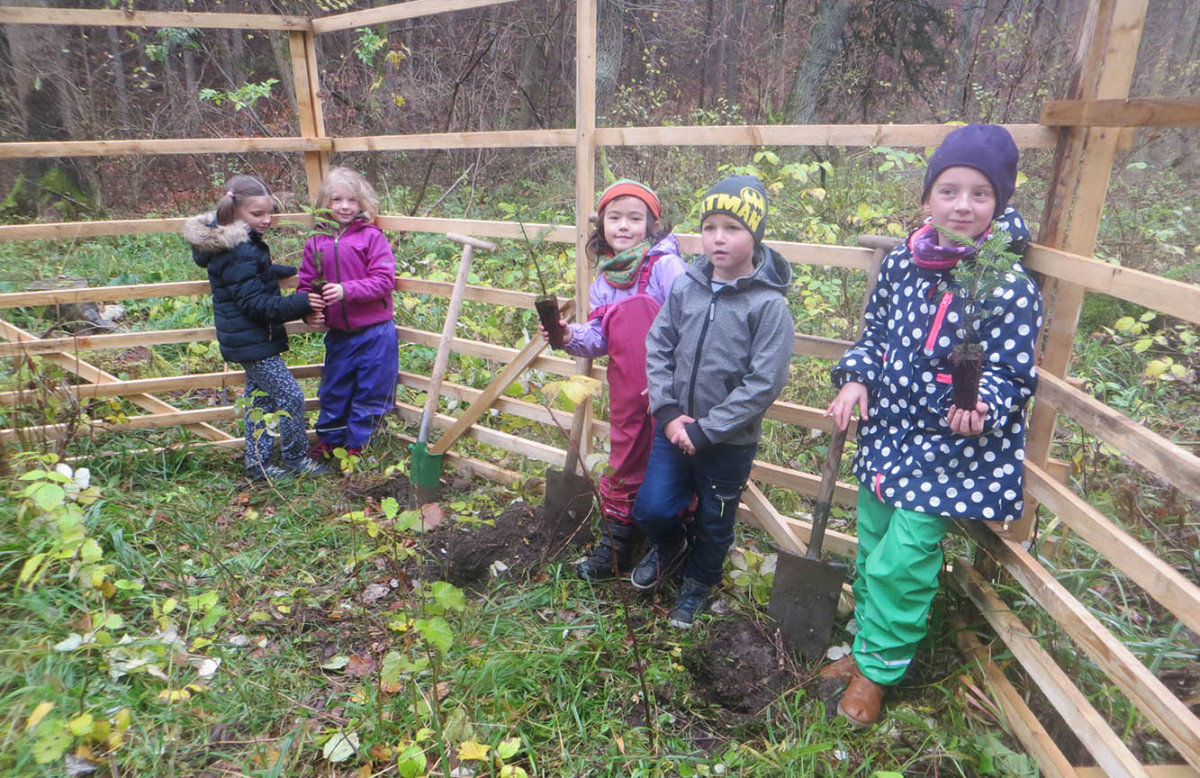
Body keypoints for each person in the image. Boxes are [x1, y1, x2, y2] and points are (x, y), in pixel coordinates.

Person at [822, 124, 1043, 726]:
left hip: (950, 449)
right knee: (873, 543)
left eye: (980, 193)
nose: (962, 205)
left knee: (906, 558)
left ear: (999, 201)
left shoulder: (1007, 284)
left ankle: (878, 670)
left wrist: (984, 401)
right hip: (888, 434)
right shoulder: (903, 263)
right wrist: (856, 377)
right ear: (927, 198)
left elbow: (1013, 372)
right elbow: (875, 333)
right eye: (949, 190)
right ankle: (867, 644)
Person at [629, 174, 795, 628]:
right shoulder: (687, 286)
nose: (718, 238)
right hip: (673, 427)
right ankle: (669, 545)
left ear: (755, 234)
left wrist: (708, 429)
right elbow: (658, 345)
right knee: (651, 507)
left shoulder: (768, 306)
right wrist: (667, 412)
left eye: (732, 228)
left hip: (728, 442)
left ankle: (699, 583)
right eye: (709, 227)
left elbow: (764, 382)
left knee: (716, 519)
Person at [539, 179, 687, 580]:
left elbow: (690, 321)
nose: (624, 226)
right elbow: (599, 337)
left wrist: (676, 381)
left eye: (635, 218)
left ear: (651, 225)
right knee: (623, 462)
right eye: (615, 217)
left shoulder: (666, 267)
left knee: (671, 460)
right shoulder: (605, 280)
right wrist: (569, 335)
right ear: (602, 225)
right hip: (626, 390)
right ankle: (618, 544)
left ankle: (670, 545)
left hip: (672, 388)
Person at [184, 174, 330, 481]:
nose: (267, 219)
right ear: (235, 212)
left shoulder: (235, 244)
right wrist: (302, 302)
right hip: (251, 341)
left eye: (269, 212)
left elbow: (244, 274)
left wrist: (273, 271)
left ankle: (258, 465)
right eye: (257, 213)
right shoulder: (239, 250)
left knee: (260, 401)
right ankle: (295, 457)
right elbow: (256, 304)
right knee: (291, 397)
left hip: (247, 339)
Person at [298, 167, 399, 461]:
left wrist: (346, 290)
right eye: (337, 199)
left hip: (375, 331)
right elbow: (306, 284)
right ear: (324, 203)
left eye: (352, 200)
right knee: (335, 388)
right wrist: (308, 311)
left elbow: (384, 280)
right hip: (339, 334)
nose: (344, 206)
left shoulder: (371, 237)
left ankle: (358, 446)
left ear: (362, 202)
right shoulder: (316, 242)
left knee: (372, 389)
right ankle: (330, 442)